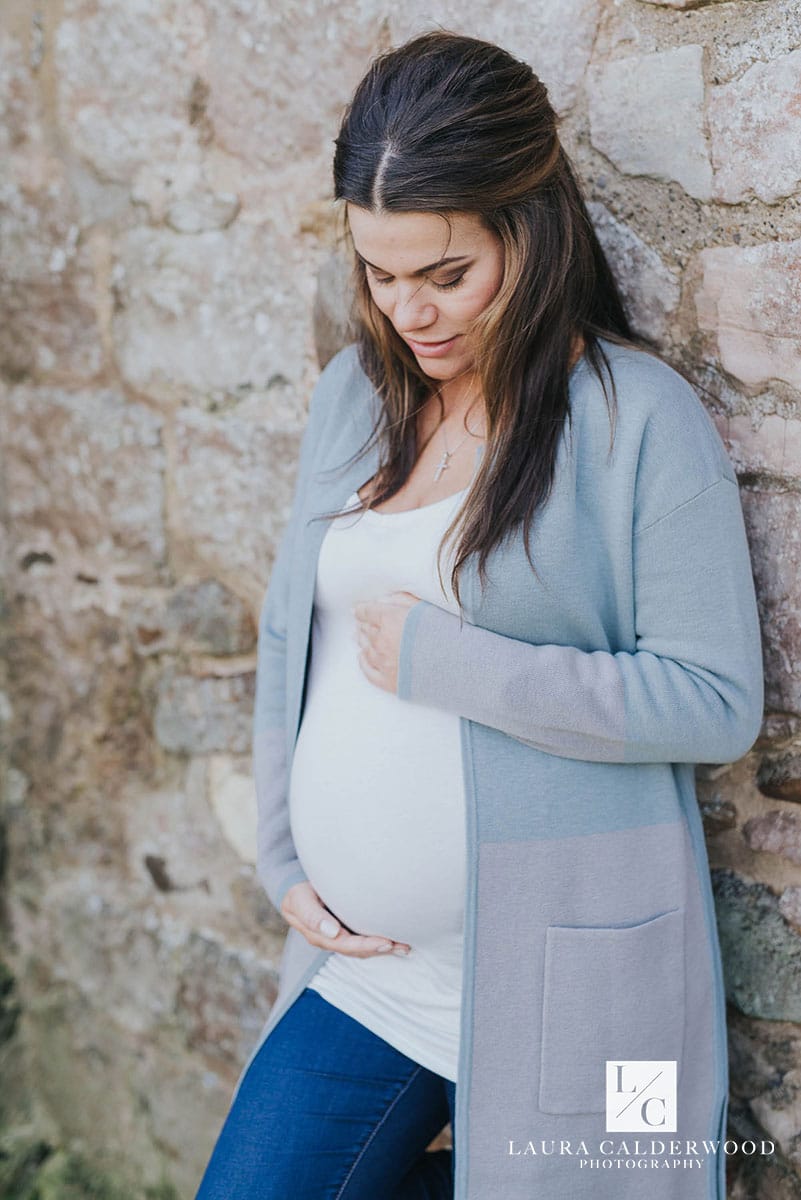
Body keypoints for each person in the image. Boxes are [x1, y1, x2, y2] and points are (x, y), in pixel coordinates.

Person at [195, 30, 764, 1200]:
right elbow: (286, 632)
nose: (408, 309)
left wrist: (456, 663)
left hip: (580, 993)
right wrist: (284, 853)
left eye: (446, 274)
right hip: (367, 978)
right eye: (378, 273)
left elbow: (713, 702)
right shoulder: (352, 396)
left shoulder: (637, 420)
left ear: (532, 228)